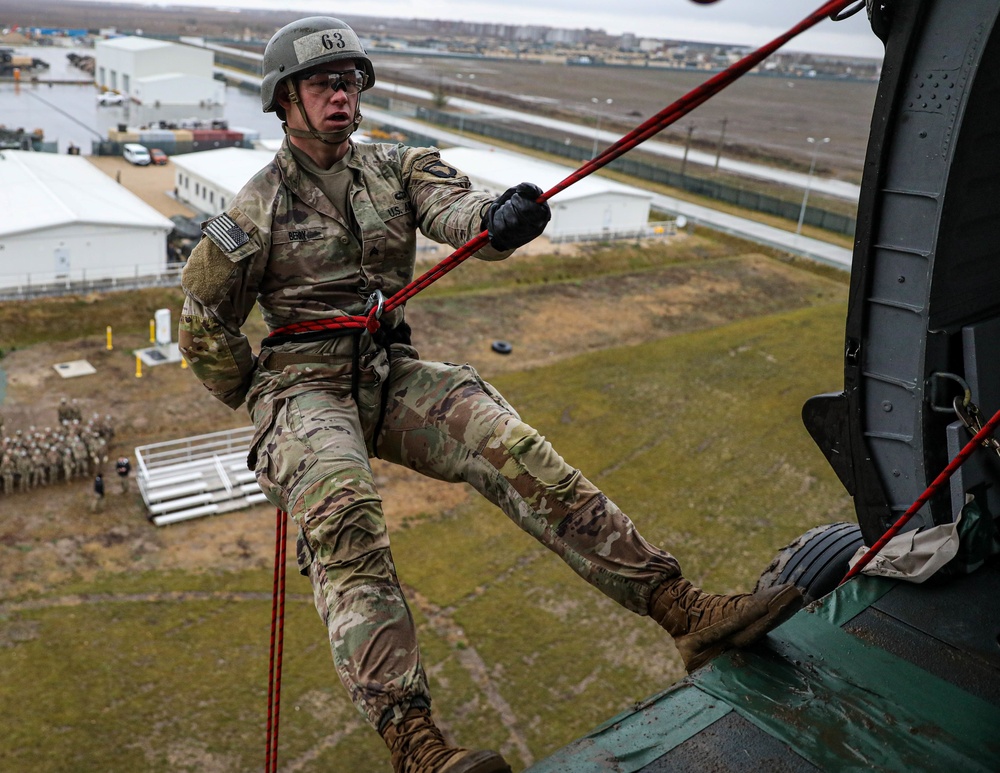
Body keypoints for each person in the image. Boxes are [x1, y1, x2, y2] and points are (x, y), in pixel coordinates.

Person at [178, 17, 802, 773]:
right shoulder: (252, 209)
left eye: (349, 81)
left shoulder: (398, 167)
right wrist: (261, 399)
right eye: (322, 83)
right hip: (302, 387)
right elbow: (202, 320)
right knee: (346, 516)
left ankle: (682, 610)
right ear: (285, 101)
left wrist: (501, 220)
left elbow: (460, 214)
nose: (340, 94)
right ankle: (417, 744)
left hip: (386, 373)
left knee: (511, 444)